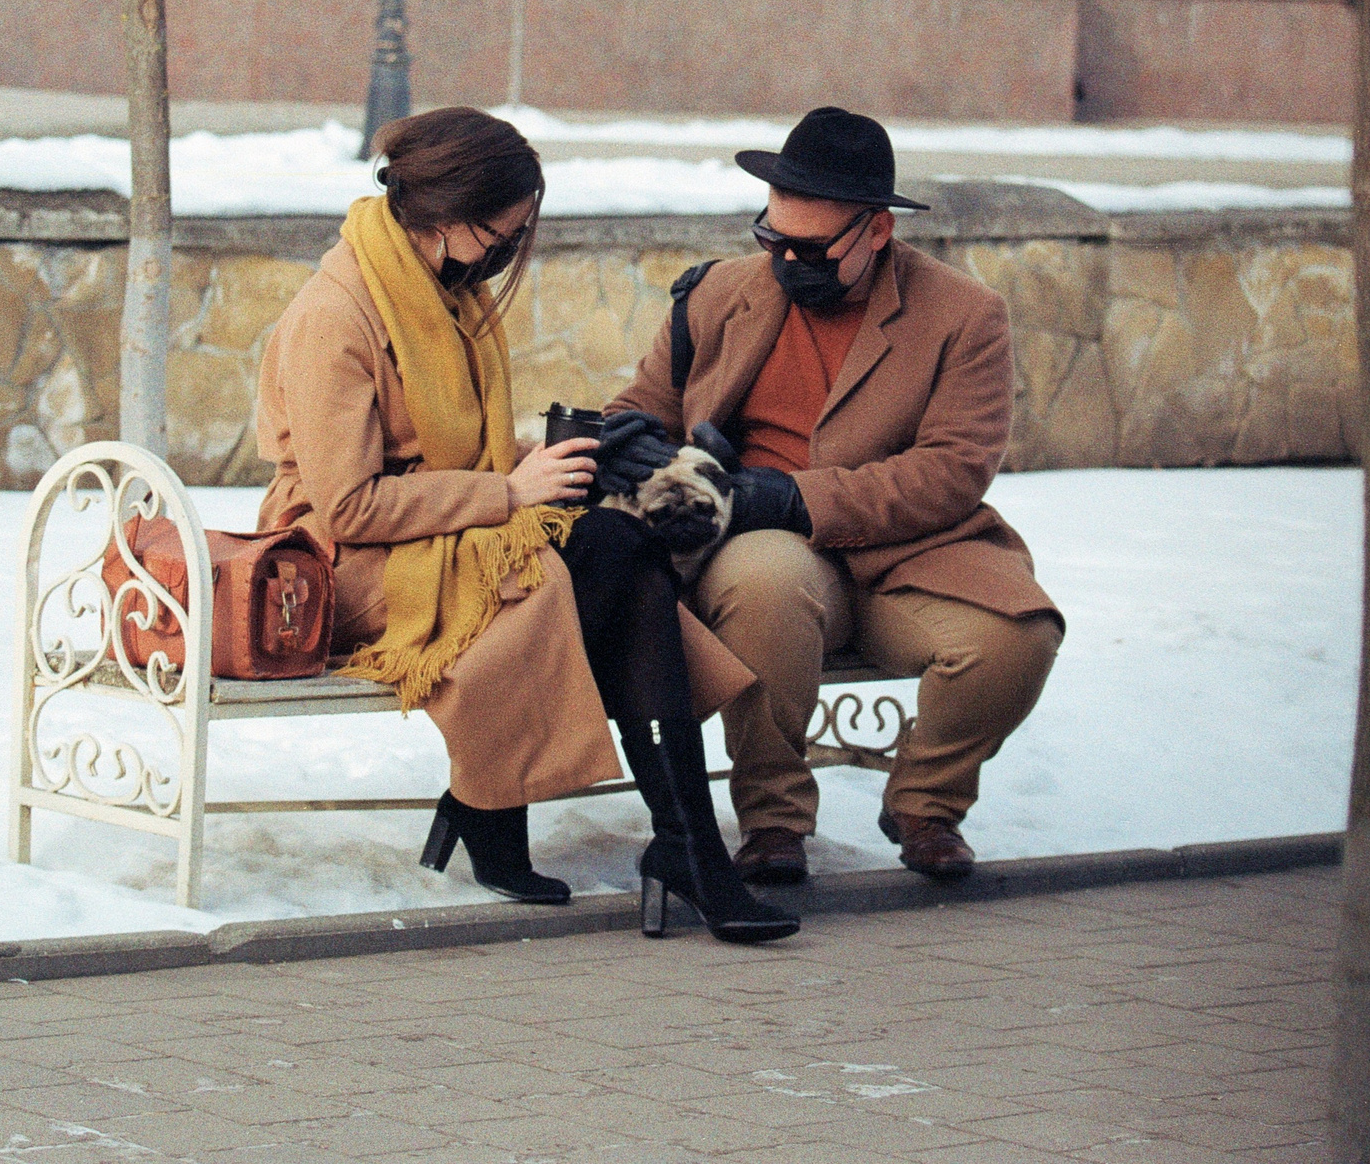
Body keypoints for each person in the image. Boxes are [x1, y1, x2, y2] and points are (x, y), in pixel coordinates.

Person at [250, 106, 797, 944]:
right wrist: (509, 492)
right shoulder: (338, 314)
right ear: (444, 218)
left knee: (621, 545)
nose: (507, 250)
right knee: (594, 562)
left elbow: (449, 452)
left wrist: (546, 459)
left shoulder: (442, 292)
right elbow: (350, 504)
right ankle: (529, 809)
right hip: (350, 566)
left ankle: (674, 842)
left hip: (442, 537)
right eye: (500, 232)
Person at [599, 107, 1064, 883]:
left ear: (877, 229)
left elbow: (953, 470)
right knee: (766, 582)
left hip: (909, 552)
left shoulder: (964, 315)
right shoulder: (717, 294)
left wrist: (793, 495)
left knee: (1017, 638)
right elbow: (642, 405)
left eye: (811, 248)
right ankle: (773, 822)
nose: (786, 259)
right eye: (771, 237)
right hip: (761, 544)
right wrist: (635, 444)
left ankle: (926, 803)